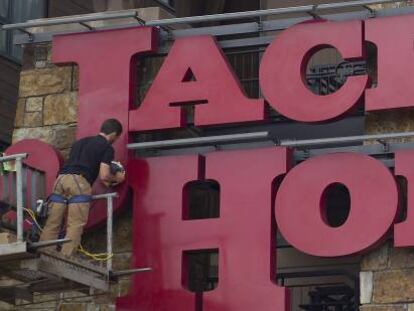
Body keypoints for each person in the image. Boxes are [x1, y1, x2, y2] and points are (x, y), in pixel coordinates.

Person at [39, 119, 126, 257]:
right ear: (114, 134)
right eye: (117, 137)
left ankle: (44, 254)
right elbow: (104, 175)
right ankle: (64, 259)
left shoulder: (80, 142)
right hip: (79, 182)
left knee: (52, 222)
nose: (116, 140)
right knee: (75, 224)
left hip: (61, 180)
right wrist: (118, 178)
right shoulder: (107, 147)